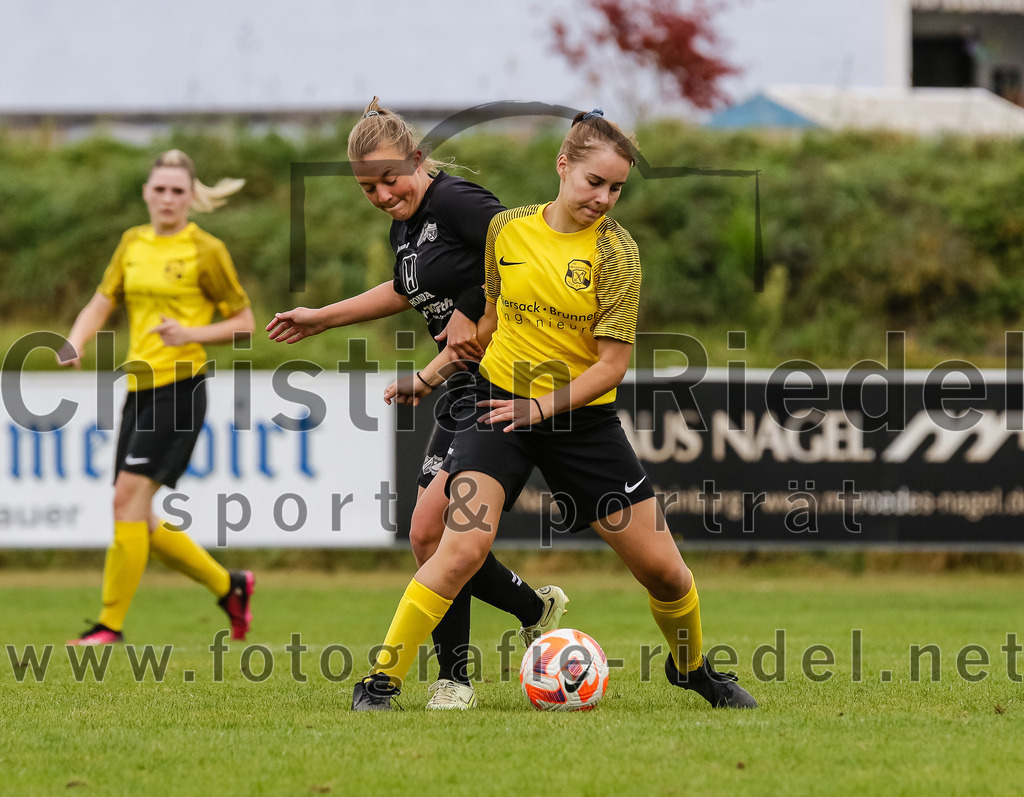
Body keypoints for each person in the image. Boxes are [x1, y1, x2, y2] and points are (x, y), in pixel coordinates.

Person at [352, 109, 757, 711]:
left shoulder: (617, 254)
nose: (605, 198)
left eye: (617, 188)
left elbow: (610, 366)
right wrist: (430, 375)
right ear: (563, 166)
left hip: (579, 422)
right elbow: (486, 323)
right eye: (595, 182)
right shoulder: (507, 232)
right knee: (458, 548)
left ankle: (691, 668)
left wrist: (540, 409)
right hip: (498, 409)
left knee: (667, 575)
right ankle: (381, 682)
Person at [266, 98, 567, 709]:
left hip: (505, 384)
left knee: (439, 533)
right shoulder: (405, 223)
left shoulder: (456, 201)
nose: (379, 193)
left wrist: (470, 312)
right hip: (463, 388)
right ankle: (532, 611)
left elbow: (527, 255)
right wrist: (323, 318)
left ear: (418, 158)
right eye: (366, 186)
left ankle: (454, 680)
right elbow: (406, 290)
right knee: (428, 537)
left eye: (388, 178)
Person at [60, 149, 256, 646]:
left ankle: (108, 626)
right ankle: (229, 586)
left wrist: (189, 331)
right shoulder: (132, 243)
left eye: (177, 190)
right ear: (146, 193)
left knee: (125, 499)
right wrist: (76, 340)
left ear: (191, 196)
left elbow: (244, 323)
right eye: (159, 189)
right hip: (139, 389)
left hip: (182, 386)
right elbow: (102, 300)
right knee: (139, 517)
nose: (167, 198)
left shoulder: (207, 250)